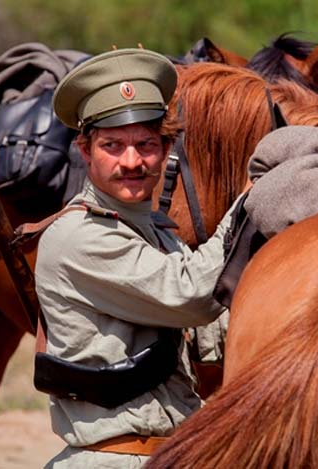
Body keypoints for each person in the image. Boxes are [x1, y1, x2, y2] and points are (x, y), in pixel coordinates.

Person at [34, 47, 243, 468]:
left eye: (146, 145)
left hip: (175, 455)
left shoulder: (158, 235)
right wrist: (250, 207)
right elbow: (191, 295)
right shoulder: (79, 236)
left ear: (166, 149)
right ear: (85, 149)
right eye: (113, 145)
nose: (132, 162)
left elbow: (210, 339)